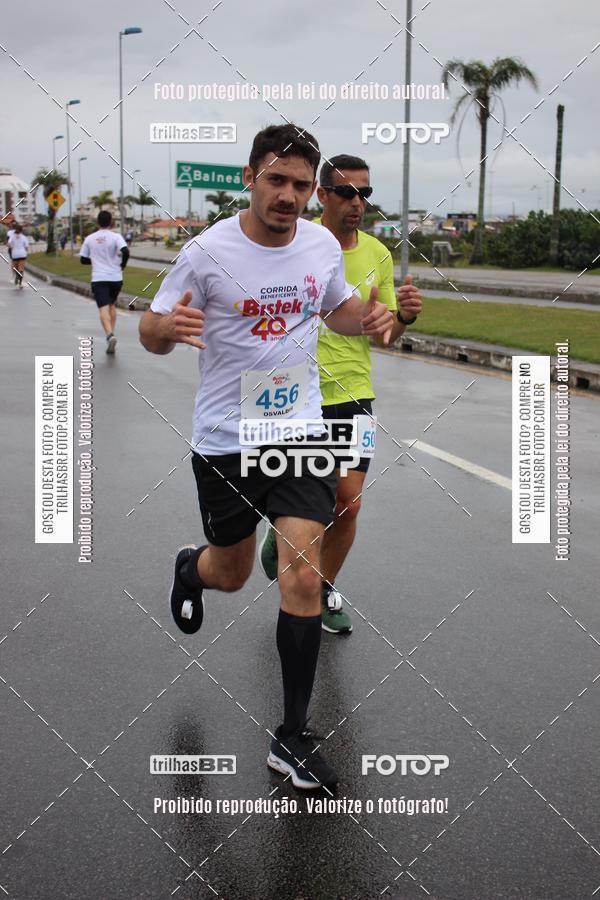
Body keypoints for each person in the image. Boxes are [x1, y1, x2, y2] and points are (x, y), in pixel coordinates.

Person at [139, 124, 394, 790]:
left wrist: (363, 318)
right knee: (231, 571)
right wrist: (168, 329)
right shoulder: (206, 251)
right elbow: (152, 328)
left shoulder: (316, 243)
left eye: (301, 185)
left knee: (303, 576)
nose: (289, 196)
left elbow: (334, 309)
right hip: (227, 437)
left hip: (299, 432)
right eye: (276, 180)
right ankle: (189, 570)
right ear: (249, 176)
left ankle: (292, 737)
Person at [259, 154, 422, 633]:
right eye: (347, 192)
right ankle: (283, 530)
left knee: (347, 502)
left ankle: (321, 590)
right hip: (281, 388)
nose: (357, 203)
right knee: (275, 495)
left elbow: (384, 334)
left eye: (365, 194)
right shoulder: (290, 242)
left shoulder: (378, 254)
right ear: (322, 195)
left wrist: (405, 317)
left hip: (352, 391)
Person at [80, 210, 129, 354]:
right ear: (111, 222)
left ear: (97, 222)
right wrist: (122, 265)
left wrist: (95, 260)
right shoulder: (116, 237)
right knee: (112, 305)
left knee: (103, 308)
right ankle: (111, 334)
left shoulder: (90, 238)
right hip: (115, 278)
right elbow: (125, 251)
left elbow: (83, 259)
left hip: (99, 278)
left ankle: (109, 334)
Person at [8, 223, 30, 288]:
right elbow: (26, 247)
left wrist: (12, 247)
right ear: (21, 230)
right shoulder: (24, 237)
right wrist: (26, 251)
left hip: (14, 254)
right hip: (22, 254)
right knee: (21, 269)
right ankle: (20, 282)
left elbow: (8, 244)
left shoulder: (12, 236)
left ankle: (16, 278)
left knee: (15, 268)